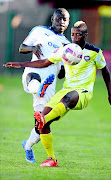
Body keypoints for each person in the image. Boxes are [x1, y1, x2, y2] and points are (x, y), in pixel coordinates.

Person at [4, 21, 111, 167]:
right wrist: (20, 64)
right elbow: (44, 62)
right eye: (73, 35)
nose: (75, 38)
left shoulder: (95, 52)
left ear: (85, 35)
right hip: (66, 90)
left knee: (64, 102)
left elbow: (105, 71)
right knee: (42, 123)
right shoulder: (65, 49)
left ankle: (45, 118)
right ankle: (51, 159)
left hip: (83, 93)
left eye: (79, 35)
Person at [7, 8, 70, 163]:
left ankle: (28, 145)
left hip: (51, 84)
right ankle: (39, 87)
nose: (61, 22)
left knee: (42, 122)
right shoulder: (39, 31)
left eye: (64, 20)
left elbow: (61, 74)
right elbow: (22, 47)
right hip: (33, 71)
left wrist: (67, 65)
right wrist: (33, 48)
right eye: (58, 18)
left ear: (68, 23)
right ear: (52, 19)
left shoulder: (67, 46)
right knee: (33, 81)